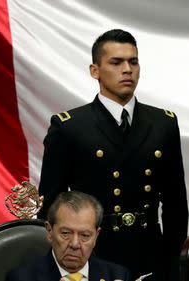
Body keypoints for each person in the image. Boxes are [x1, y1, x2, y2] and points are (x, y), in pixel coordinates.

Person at [38, 29, 188, 280]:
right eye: (116, 62)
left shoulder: (163, 123)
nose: (127, 69)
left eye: (133, 61)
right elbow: (52, 206)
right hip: (93, 255)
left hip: (151, 255)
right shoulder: (70, 126)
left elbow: (176, 204)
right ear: (94, 70)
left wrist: (170, 260)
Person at [6, 191, 131, 281]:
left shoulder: (117, 276)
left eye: (85, 235)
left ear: (96, 236)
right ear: (49, 231)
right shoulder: (21, 278)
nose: (75, 244)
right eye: (66, 233)